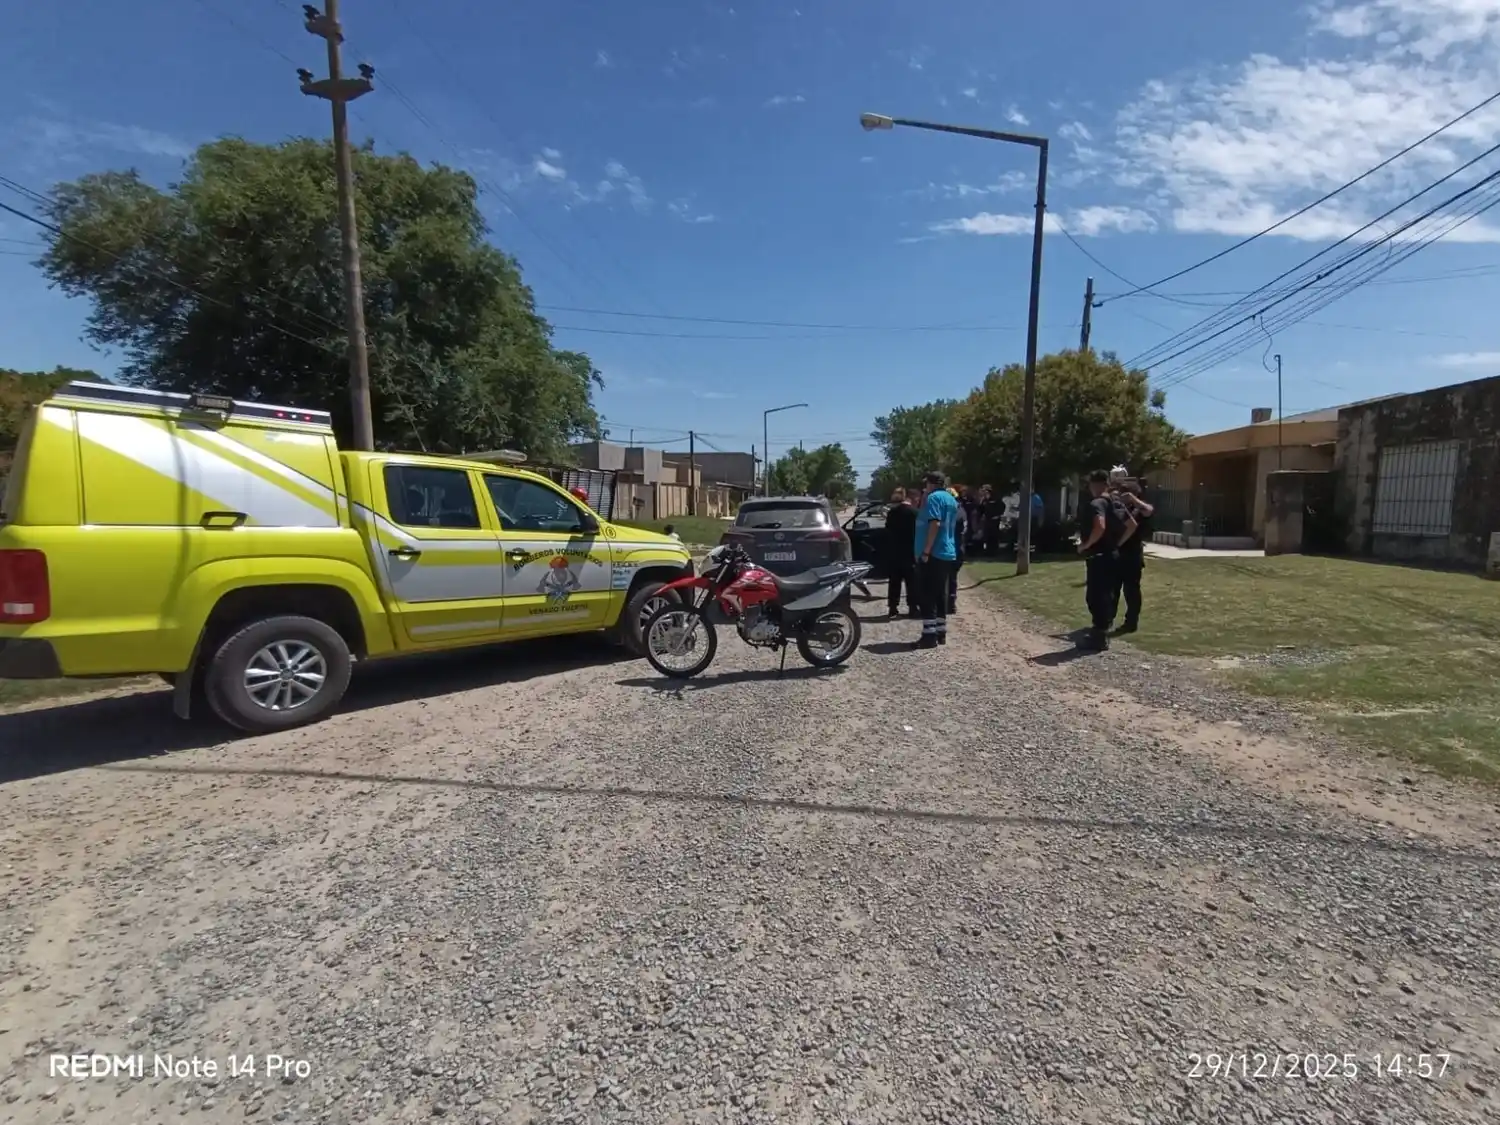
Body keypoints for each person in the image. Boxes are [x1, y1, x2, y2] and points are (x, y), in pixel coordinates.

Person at [1076, 469, 1136, 651]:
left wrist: (1086, 545)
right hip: (1112, 555)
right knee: (1107, 595)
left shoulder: (1097, 503)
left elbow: (1100, 526)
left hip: (1099, 557)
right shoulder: (1115, 503)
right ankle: (1102, 633)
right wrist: (1116, 544)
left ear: (1095, 485)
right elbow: (1131, 525)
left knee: (1096, 596)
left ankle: (1099, 638)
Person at [913, 470, 959, 649]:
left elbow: (935, 523)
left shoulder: (933, 498)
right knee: (940, 594)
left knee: (927, 595)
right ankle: (941, 632)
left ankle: (929, 636)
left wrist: (926, 551)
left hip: (934, 552)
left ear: (931, 483)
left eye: (926, 484)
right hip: (947, 551)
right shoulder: (951, 499)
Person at [1111, 476, 1154, 634]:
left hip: (1132, 554)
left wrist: (1134, 500)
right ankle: (1108, 619)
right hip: (1116, 553)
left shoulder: (1139, 509)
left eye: (1125, 492)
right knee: (1113, 590)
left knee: (1131, 591)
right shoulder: (1118, 508)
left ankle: (1131, 622)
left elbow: (1149, 511)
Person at [883, 487, 918, 617]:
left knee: (894, 582)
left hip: (895, 551)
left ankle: (893, 608)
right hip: (910, 551)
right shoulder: (915, 512)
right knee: (912, 582)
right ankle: (913, 608)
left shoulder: (892, 513)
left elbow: (887, 530)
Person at [947, 486, 966, 614]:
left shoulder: (945, 512)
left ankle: (945, 602)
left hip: (946, 549)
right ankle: (951, 603)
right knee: (952, 577)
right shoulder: (961, 511)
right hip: (958, 548)